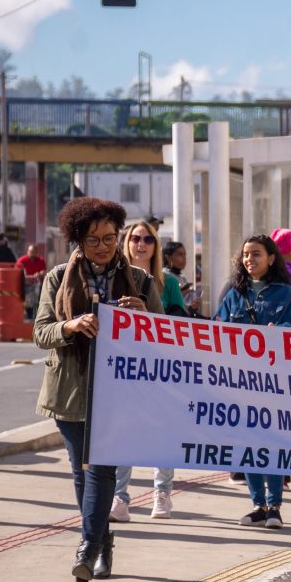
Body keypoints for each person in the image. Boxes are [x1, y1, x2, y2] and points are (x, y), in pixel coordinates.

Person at [34, 198, 162, 582]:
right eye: (93, 240)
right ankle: (102, 541)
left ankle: (87, 547)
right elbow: (41, 332)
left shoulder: (141, 281)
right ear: (78, 240)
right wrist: (70, 327)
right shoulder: (57, 278)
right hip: (70, 392)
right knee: (81, 470)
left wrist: (144, 315)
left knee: (102, 469)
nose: (104, 246)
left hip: (119, 395)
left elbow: (168, 337)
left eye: (110, 238)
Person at [215, 234, 291, 528]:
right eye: (246, 254)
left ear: (272, 258)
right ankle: (258, 505)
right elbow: (218, 328)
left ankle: (275, 505)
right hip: (240, 380)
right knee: (248, 441)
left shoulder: (285, 293)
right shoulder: (233, 294)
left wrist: (280, 330)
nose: (250, 259)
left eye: (257, 254)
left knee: (272, 440)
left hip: (274, 380)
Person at [110, 219, 181, 523]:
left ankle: (162, 492)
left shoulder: (169, 283)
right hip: (125, 369)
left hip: (161, 369)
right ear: (126, 243)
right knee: (123, 431)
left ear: (156, 246)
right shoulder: (115, 279)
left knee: (161, 432)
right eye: (135, 238)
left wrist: (147, 313)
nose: (141, 243)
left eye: (148, 239)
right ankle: (120, 496)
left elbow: (178, 325)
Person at [16, 244, 48, 320]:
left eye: (34, 252)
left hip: (37, 285)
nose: (32, 254)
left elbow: (43, 271)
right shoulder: (21, 261)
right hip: (25, 286)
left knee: (38, 301)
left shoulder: (40, 260)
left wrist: (39, 274)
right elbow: (17, 271)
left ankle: (39, 317)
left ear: (37, 252)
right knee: (28, 302)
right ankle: (29, 316)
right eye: (31, 252)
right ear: (28, 251)